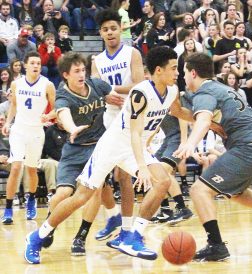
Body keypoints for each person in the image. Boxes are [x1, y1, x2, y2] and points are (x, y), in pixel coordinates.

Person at [24, 46, 194, 264]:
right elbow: (133, 131)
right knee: (81, 197)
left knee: (162, 181)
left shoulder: (171, 91)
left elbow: (177, 113)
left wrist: (208, 121)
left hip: (135, 147)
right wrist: (142, 166)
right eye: (173, 68)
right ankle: (37, 236)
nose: (177, 73)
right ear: (159, 70)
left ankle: (132, 236)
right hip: (113, 145)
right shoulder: (141, 92)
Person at [173, 52, 252, 262]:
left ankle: (216, 245)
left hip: (248, 149)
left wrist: (190, 144)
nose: (183, 77)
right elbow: (197, 116)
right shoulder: (223, 89)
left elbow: (202, 121)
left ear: (193, 72)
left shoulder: (204, 92)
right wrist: (173, 108)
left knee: (199, 190)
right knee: (236, 193)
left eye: (184, 73)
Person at [29, 52, 123, 253]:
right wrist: (71, 129)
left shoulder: (97, 85)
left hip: (98, 148)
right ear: (65, 75)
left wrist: (120, 101)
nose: (82, 74)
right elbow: (63, 111)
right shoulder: (62, 94)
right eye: (77, 71)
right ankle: (48, 226)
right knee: (63, 193)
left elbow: (115, 97)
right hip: (73, 149)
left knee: (95, 190)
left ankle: (81, 236)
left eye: (83, 70)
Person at [88, 8, 144, 248]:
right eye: (105, 29)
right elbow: (93, 92)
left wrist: (108, 90)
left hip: (131, 118)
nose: (110, 32)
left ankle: (128, 227)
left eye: (113, 28)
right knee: (99, 177)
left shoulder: (132, 53)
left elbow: (139, 82)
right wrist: (104, 95)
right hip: (108, 120)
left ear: (121, 28)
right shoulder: (96, 61)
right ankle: (114, 218)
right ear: (100, 33)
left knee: (124, 176)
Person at [1, 51, 56, 224]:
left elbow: (56, 108)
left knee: (32, 169)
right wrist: (8, 123)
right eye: (32, 63)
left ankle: (31, 199)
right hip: (19, 130)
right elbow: (14, 106)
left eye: (38, 64)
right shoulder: (16, 84)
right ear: (25, 65)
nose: (36, 66)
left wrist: (49, 117)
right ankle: (8, 208)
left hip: (36, 132)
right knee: (16, 166)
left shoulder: (48, 85)